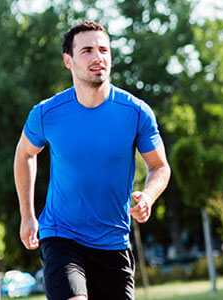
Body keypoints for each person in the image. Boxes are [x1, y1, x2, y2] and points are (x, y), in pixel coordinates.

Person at [13, 20, 171, 300]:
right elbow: (25, 153)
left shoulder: (136, 112)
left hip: (113, 242)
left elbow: (159, 166)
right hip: (62, 236)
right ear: (68, 60)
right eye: (87, 50)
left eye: (104, 50)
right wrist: (28, 215)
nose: (98, 57)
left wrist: (148, 196)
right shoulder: (47, 113)